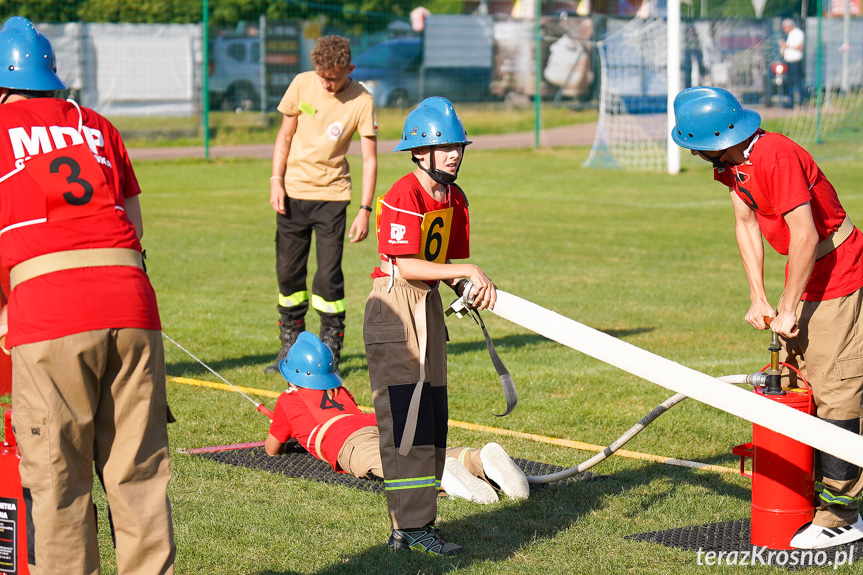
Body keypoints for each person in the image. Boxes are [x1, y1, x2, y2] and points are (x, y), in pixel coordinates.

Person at [0, 16, 175, 575]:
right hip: (131, 302)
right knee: (139, 474)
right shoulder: (94, 123)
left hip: (50, 312)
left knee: (58, 478)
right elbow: (134, 223)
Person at [671, 86, 863, 550]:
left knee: (837, 389)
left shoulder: (774, 156)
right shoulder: (732, 165)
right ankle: (815, 493)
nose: (694, 153)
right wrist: (759, 297)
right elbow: (745, 223)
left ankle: (843, 512)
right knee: (803, 385)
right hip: (805, 270)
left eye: (694, 145)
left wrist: (790, 305)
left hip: (837, 273)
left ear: (713, 137)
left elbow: (805, 235)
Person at [363, 97, 498, 556]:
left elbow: (448, 264)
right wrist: (466, 269)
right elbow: (404, 263)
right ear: (420, 152)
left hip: (429, 305)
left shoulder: (455, 197)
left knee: (433, 419)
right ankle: (409, 527)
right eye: (444, 147)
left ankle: (418, 525)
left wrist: (469, 281)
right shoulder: (403, 193)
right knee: (407, 421)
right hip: (396, 308)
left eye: (458, 145)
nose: (454, 154)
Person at [264, 332, 529, 506]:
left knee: (394, 466)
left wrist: (285, 433)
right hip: (377, 423)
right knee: (425, 450)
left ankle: (442, 476)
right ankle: (478, 457)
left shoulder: (287, 400)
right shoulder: (339, 390)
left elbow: (272, 449)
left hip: (348, 442)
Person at [267, 35, 378, 375]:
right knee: (288, 273)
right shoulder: (301, 84)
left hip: (332, 198)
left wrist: (364, 209)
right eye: (323, 77)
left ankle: (331, 347)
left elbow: (370, 159)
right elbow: (284, 138)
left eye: (335, 77)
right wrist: (276, 181)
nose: (328, 84)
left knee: (328, 278)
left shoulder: (362, 100)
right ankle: (291, 344)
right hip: (293, 194)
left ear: (350, 69)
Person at [779, 18, 805, 108]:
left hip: (795, 62)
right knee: (789, 82)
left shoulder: (798, 33)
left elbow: (800, 47)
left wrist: (786, 46)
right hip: (788, 61)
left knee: (796, 82)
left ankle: (799, 101)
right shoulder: (790, 35)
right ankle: (790, 102)